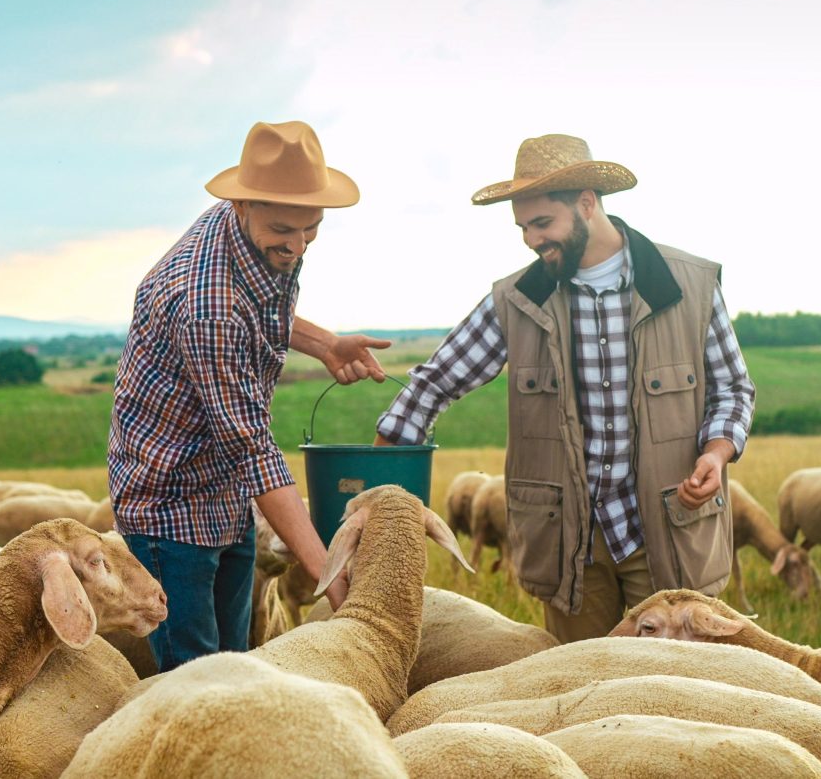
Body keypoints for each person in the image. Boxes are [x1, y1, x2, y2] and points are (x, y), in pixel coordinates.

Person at [375, 133, 755, 642]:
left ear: (586, 203)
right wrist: (376, 476)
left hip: (670, 534)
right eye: (522, 227)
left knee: (678, 696)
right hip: (571, 547)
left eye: (541, 223)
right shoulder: (517, 299)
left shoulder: (688, 285)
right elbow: (435, 382)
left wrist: (717, 452)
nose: (531, 239)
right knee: (582, 693)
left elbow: (732, 389)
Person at [108, 120, 390, 672]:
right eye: (284, 229)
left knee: (237, 666)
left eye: (312, 228)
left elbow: (261, 311)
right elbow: (252, 449)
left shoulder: (261, 237)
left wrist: (324, 343)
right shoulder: (204, 301)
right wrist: (326, 569)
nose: (297, 244)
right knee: (195, 681)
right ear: (241, 205)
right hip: (169, 502)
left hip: (226, 490)